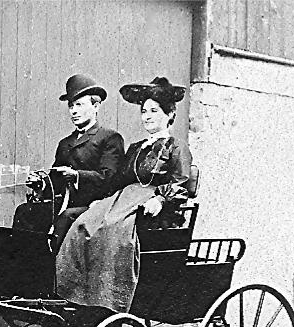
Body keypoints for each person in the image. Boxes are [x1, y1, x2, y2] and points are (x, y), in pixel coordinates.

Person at [55, 76, 194, 314]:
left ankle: (109, 297)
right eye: (144, 112)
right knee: (84, 223)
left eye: (154, 111)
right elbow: (120, 179)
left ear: (169, 115)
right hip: (124, 200)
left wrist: (160, 199)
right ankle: (78, 292)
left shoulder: (176, 147)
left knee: (111, 231)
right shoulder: (137, 147)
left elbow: (181, 183)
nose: (147, 117)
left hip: (153, 209)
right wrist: (103, 200)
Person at [25, 74, 125, 250]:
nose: (73, 111)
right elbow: (55, 182)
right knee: (26, 212)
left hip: (96, 208)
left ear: (96, 106)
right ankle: (24, 268)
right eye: (71, 106)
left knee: (66, 218)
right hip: (65, 204)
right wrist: (40, 183)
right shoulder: (65, 143)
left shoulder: (109, 138)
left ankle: (54, 271)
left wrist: (76, 175)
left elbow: (109, 179)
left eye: (79, 105)